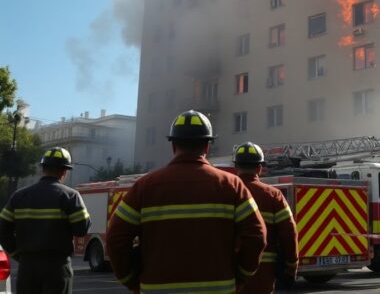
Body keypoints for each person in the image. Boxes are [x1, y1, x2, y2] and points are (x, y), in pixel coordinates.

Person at [107, 110, 267, 293]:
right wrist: (240, 276)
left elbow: (116, 238)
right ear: (207, 146)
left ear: (173, 145)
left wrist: (131, 280)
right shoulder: (232, 185)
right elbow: (257, 235)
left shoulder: (144, 186)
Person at [0, 147, 90, 294]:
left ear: (43, 169)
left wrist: (18, 254)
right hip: (58, 268)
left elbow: (3, 230)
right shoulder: (71, 196)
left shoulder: (19, 196)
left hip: (27, 267)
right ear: (64, 171)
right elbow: (81, 229)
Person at [233, 142, 298, 294]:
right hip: (263, 275)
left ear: (236, 166)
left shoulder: (226, 192)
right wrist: (291, 266)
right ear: (260, 167)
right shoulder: (273, 195)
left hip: (230, 273)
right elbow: (289, 233)